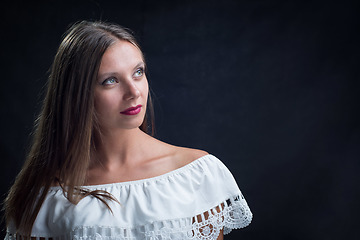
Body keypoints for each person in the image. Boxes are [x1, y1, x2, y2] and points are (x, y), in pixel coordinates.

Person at [4, 21, 252, 240]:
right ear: (76, 95)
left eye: (138, 72)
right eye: (110, 80)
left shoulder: (196, 174)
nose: (134, 92)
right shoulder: (47, 196)